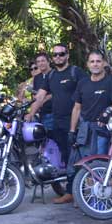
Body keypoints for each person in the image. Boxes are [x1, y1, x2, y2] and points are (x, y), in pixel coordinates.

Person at [61, 50, 112, 204]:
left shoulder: (110, 82)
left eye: (98, 61)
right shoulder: (83, 83)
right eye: (92, 61)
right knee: (84, 166)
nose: (95, 64)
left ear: (103, 63)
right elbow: (76, 108)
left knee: (98, 165)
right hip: (84, 130)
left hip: (102, 130)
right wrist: (71, 130)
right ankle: (86, 200)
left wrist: (107, 111)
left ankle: (99, 202)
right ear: (88, 64)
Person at [26, 43, 85, 175]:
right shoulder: (51, 76)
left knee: (76, 156)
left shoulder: (75, 72)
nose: (58, 57)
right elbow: (40, 97)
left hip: (75, 122)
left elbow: (87, 92)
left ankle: (79, 188)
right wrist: (30, 113)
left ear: (67, 56)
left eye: (61, 54)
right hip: (57, 122)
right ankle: (70, 190)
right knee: (64, 155)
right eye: (55, 54)